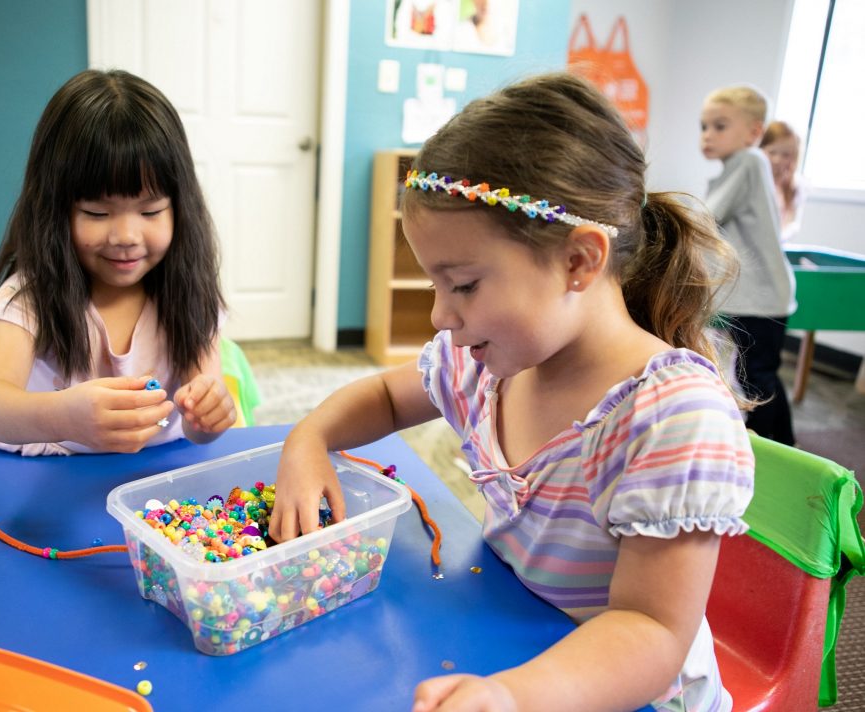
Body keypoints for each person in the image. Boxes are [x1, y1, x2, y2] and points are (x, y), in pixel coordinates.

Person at [270, 72, 754, 711]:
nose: (442, 316)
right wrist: (310, 438)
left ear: (579, 261)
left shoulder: (674, 418)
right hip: (511, 636)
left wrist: (515, 697)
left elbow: (651, 631)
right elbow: (385, 400)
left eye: (464, 285)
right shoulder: (485, 362)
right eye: (434, 286)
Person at [0, 69, 236, 456]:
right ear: (55, 210)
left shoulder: (190, 293)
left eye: (151, 211)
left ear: (180, 207)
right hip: (53, 475)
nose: (126, 236)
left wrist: (210, 417)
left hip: (160, 483)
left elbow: (199, 432)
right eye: (96, 212)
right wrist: (63, 416)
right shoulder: (28, 297)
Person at [701, 86, 797, 446]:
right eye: (705, 126)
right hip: (753, 297)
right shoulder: (738, 166)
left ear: (754, 132)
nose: (707, 135)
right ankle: (784, 442)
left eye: (720, 126)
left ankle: (772, 449)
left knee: (757, 379)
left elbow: (706, 217)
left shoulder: (749, 162)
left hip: (761, 299)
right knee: (758, 375)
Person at [760, 120, 805, 243]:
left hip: (777, 245)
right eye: (772, 152)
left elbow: (793, 223)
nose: (777, 160)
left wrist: (779, 238)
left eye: (786, 155)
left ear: (794, 156)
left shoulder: (794, 185)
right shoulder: (756, 180)